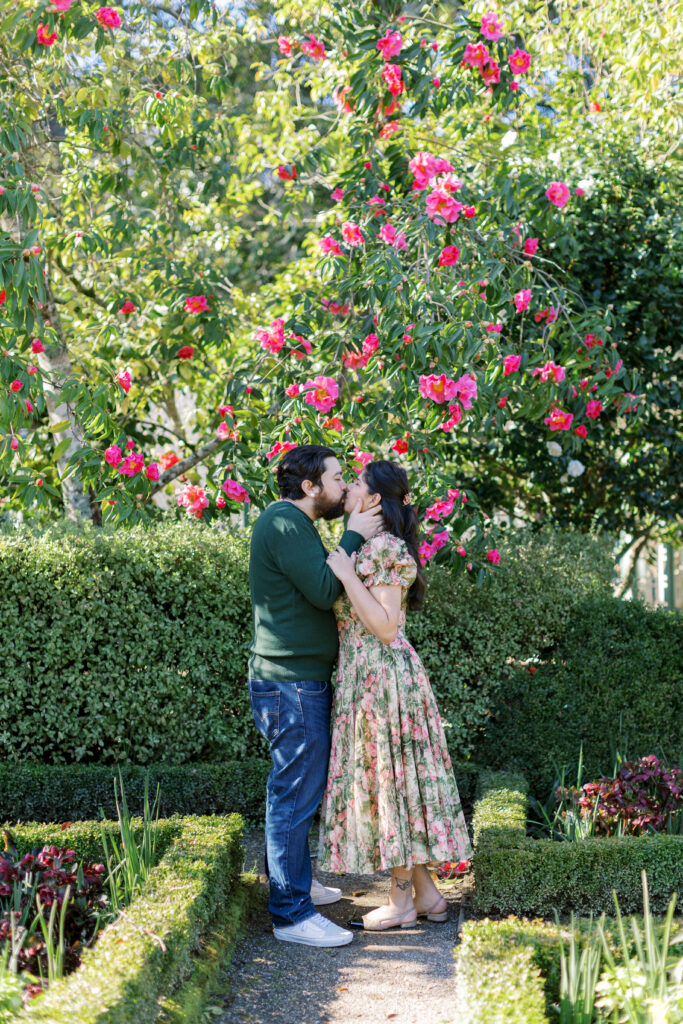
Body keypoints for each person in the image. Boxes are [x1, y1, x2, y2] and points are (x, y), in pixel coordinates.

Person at [318, 459, 473, 930]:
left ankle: (402, 902)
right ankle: (427, 896)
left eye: (357, 483)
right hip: (369, 676)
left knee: (393, 784)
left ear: (373, 499)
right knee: (393, 780)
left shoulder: (383, 547)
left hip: (382, 677)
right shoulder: (374, 545)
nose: (348, 489)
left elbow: (386, 626)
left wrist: (346, 574)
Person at [248, 444, 383, 947]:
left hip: (297, 681)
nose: (345, 486)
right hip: (290, 684)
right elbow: (326, 589)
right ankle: (290, 915)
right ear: (310, 487)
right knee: (293, 796)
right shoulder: (284, 522)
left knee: (298, 791)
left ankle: (295, 885)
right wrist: (355, 534)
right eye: (337, 478)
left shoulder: (296, 525)